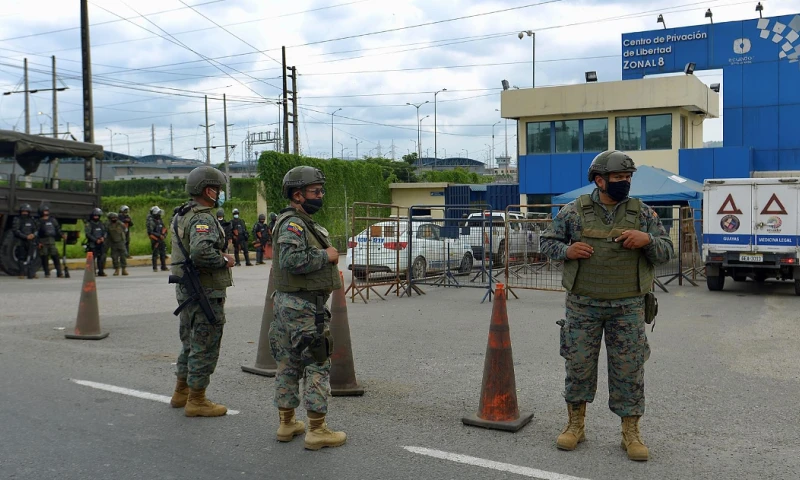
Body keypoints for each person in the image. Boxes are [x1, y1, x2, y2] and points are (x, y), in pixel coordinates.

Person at [539, 150, 674, 462]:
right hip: (583, 305)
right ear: (599, 180)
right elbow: (546, 242)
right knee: (578, 365)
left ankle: (631, 432)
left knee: (629, 370)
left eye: (628, 178)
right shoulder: (573, 212)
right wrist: (567, 250)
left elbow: (666, 251)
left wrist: (648, 241)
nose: (624, 183)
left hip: (627, 306)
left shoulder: (643, 214)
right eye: (618, 178)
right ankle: (575, 425)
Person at [270, 166, 346, 451]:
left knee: (288, 363)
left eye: (321, 190)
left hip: (287, 305)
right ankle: (317, 430)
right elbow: (291, 260)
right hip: (303, 306)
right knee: (316, 362)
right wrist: (325, 255)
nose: (321, 196)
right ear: (298, 195)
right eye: (316, 191)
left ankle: (287, 423)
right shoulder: (294, 224)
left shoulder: (298, 222)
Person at [169, 165, 235, 417]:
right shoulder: (203, 217)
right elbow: (201, 251)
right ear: (208, 190)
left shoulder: (182, 214)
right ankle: (197, 399)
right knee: (205, 343)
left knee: (189, 341)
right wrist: (224, 260)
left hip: (187, 289)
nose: (219, 193)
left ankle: (181, 392)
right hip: (205, 290)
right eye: (217, 189)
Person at [12, 204, 38, 279]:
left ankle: (32, 273)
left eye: (26, 211)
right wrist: (25, 236)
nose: (25, 213)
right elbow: (15, 230)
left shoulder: (32, 219)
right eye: (23, 211)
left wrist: (33, 235)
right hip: (21, 240)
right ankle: (22, 273)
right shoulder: (17, 219)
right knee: (21, 257)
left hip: (31, 241)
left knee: (31, 257)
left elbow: (36, 229)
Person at [37, 205, 64, 278]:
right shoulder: (39, 221)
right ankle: (46, 272)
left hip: (51, 240)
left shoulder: (52, 220)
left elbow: (57, 229)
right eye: (44, 211)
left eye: (47, 211)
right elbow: (36, 232)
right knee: (44, 256)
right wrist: (38, 242)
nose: (46, 213)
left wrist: (62, 235)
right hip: (43, 240)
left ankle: (59, 272)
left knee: (55, 255)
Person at [85, 207, 108, 277]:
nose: (96, 217)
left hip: (101, 243)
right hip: (93, 244)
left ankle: (101, 271)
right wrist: (95, 240)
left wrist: (103, 237)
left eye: (97, 216)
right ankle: (92, 272)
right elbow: (88, 234)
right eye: (95, 215)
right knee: (92, 259)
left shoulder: (101, 223)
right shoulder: (89, 224)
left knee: (101, 258)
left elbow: (105, 232)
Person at [106, 212, 128, 276]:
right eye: (112, 218)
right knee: (114, 257)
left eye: (115, 218)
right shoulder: (108, 225)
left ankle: (124, 269)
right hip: (113, 243)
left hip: (121, 242)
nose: (114, 219)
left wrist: (124, 238)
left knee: (123, 256)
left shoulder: (120, 224)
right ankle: (116, 270)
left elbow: (125, 230)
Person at [148, 207, 168, 272]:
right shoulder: (151, 221)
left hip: (161, 239)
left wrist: (164, 235)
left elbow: (164, 228)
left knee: (163, 253)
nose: (160, 214)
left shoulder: (160, 220)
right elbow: (150, 232)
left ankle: (163, 266)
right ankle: (155, 267)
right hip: (155, 239)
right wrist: (159, 236)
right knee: (155, 254)